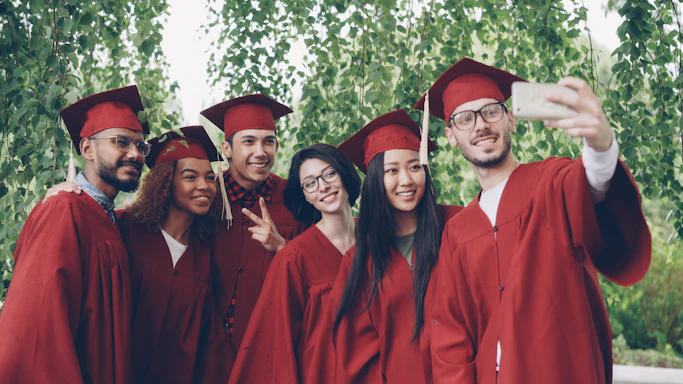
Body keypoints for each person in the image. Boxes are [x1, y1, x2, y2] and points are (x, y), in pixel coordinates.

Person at [414, 58, 652, 383]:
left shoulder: (550, 182)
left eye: (491, 111)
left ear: (510, 119)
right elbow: (451, 334)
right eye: (465, 119)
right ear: (451, 135)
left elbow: (589, 183)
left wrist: (600, 146)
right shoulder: (457, 231)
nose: (481, 125)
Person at [0, 85, 150, 384]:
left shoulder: (110, 219)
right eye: (121, 142)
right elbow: (38, 327)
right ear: (87, 149)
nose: (134, 153)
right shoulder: (64, 210)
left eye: (140, 145)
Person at [312, 109, 462, 383]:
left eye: (415, 166)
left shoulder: (457, 226)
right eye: (392, 170)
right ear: (375, 182)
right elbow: (350, 351)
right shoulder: (361, 260)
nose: (406, 180)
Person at [228, 143, 361, 383]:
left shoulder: (376, 238)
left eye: (330, 173)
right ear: (305, 196)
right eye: (310, 183)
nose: (323, 187)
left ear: (344, 174)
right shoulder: (294, 257)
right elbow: (275, 343)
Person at [199, 94, 309, 377]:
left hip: (273, 350)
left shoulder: (298, 200)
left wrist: (283, 247)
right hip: (207, 351)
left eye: (268, 141)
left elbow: (325, 269)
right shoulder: (203, 196)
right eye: (248, 141)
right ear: (227, 148)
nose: (260, 151)